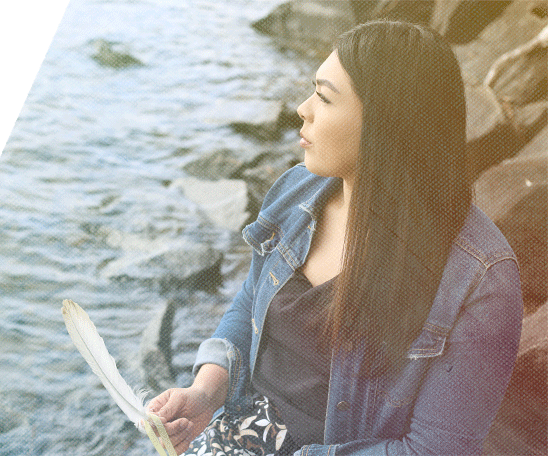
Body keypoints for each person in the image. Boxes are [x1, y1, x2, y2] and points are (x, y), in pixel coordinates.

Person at [148, 20, 523, 456]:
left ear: (388, 125)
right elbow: (252, 298)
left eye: (324, 98)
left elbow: (435, 449)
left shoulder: (480, 279)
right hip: (236, 435)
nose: (302, 109)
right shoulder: (298, 192)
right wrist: (204, 394)